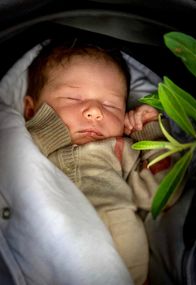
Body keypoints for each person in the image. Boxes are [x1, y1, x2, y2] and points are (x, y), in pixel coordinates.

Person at [23, 39, 172, 285]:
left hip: (126, 265)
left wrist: (152, 133)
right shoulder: (31, 144)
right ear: (30, 110)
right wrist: (43, 125)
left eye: (111, 105)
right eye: (73, 98)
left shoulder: (122, 150)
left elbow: (158, 194)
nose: (95, 112)